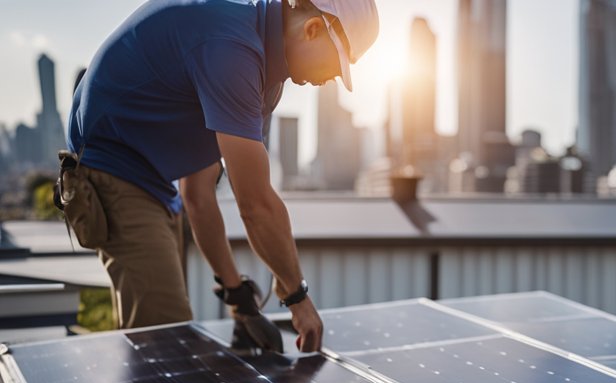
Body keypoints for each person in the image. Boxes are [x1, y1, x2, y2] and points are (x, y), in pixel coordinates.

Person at [60, 0, 380, 352]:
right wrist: (297, 298)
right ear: (313, 29)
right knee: (167, 344)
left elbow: (197, 194)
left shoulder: (263, 77)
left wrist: (238, 297)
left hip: (152, 179)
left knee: (159, 345)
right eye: (337, 64)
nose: (334, 78)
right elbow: (255, 204)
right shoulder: (232, 46)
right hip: (112, 167)